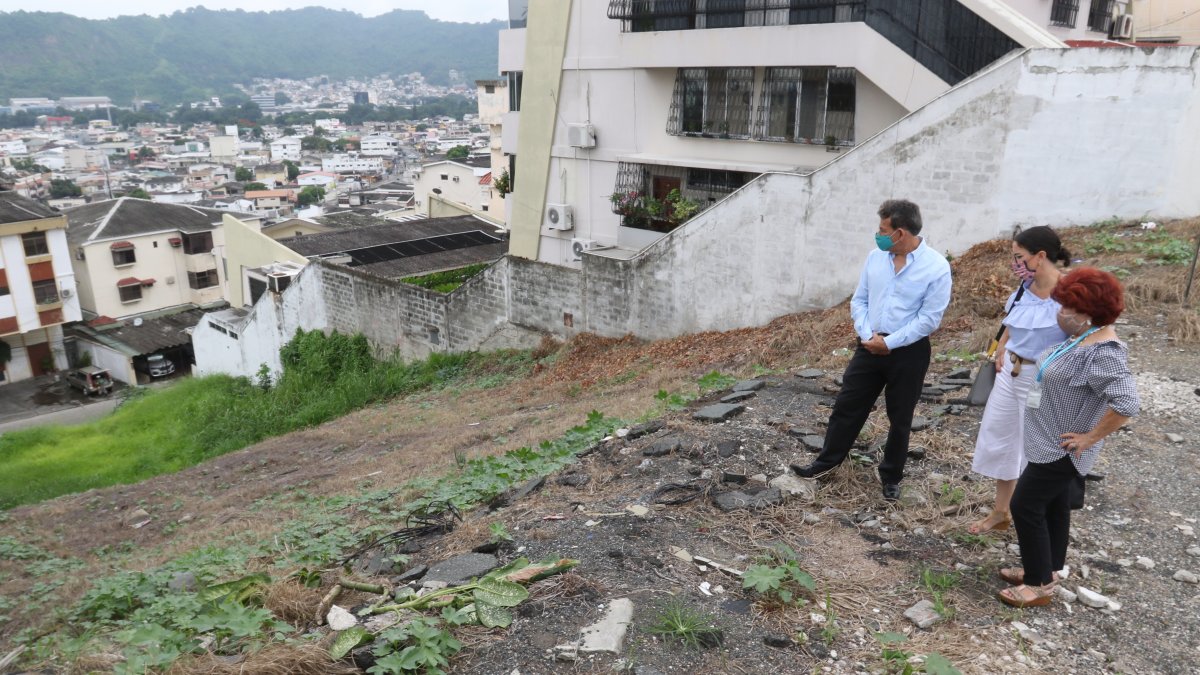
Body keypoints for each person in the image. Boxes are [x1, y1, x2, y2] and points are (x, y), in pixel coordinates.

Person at [792, 199, 952, 501]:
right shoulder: (875, 258)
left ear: (900, 233)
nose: (877, 235)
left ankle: (891, 477)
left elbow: (929, 319)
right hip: (869, 345)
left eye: (882, 229)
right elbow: (860, 301)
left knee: (900, 417)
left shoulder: (937, 268)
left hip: (909, 352)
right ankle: (826, 464)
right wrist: (869, 336)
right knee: (847, 406)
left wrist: (889, 343)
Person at [997, 267, 1138, 608]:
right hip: (1046, 439)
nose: (1061, 313)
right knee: (1054, 504)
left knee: (1025, 505)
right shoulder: (1080, 338)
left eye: (1068, 308)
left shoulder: (1103, 351)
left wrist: (1090, 437)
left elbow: (1127, 402)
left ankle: (1038, 584)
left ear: (1090, 313)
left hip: (1062, 447)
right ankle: (1049, 567)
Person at [967, 227, 1071, 534]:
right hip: (1008, 374)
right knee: (1001, 440)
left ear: (1041, 256)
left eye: (1019, 257)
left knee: (1037, 451)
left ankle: (1036, 521)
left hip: (1042, 380)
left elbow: (1082, 338)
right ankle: (1001, 512)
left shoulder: (1069, 293)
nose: (1015, 264)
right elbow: (1011, 322)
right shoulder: (1024, 288)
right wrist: (1001, 347)